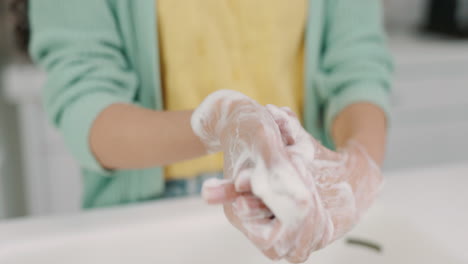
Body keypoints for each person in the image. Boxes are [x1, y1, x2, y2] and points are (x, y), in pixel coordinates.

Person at [13, 0, 392, 262]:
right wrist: (223, 122)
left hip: (301, 197)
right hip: (146, 213)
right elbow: (87, 102)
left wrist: (357, 167)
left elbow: (357, 66)